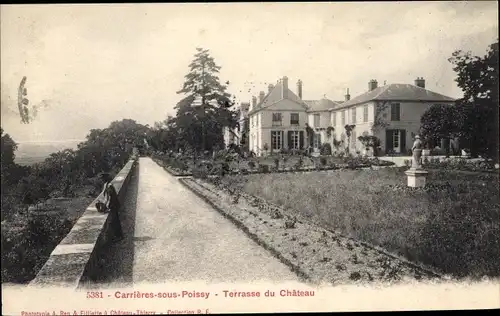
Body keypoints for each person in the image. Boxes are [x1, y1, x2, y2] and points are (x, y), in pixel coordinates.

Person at [99, 173, 124, 242]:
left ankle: (119, 236)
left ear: (105, 179)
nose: (101, 180)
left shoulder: (109, 186)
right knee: (114, 221)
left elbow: (109, 198)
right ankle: (118, 235)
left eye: (102, 178)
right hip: (113, 205)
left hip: (114, 205)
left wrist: (106, 206)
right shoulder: (106, 185)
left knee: (115, 221)